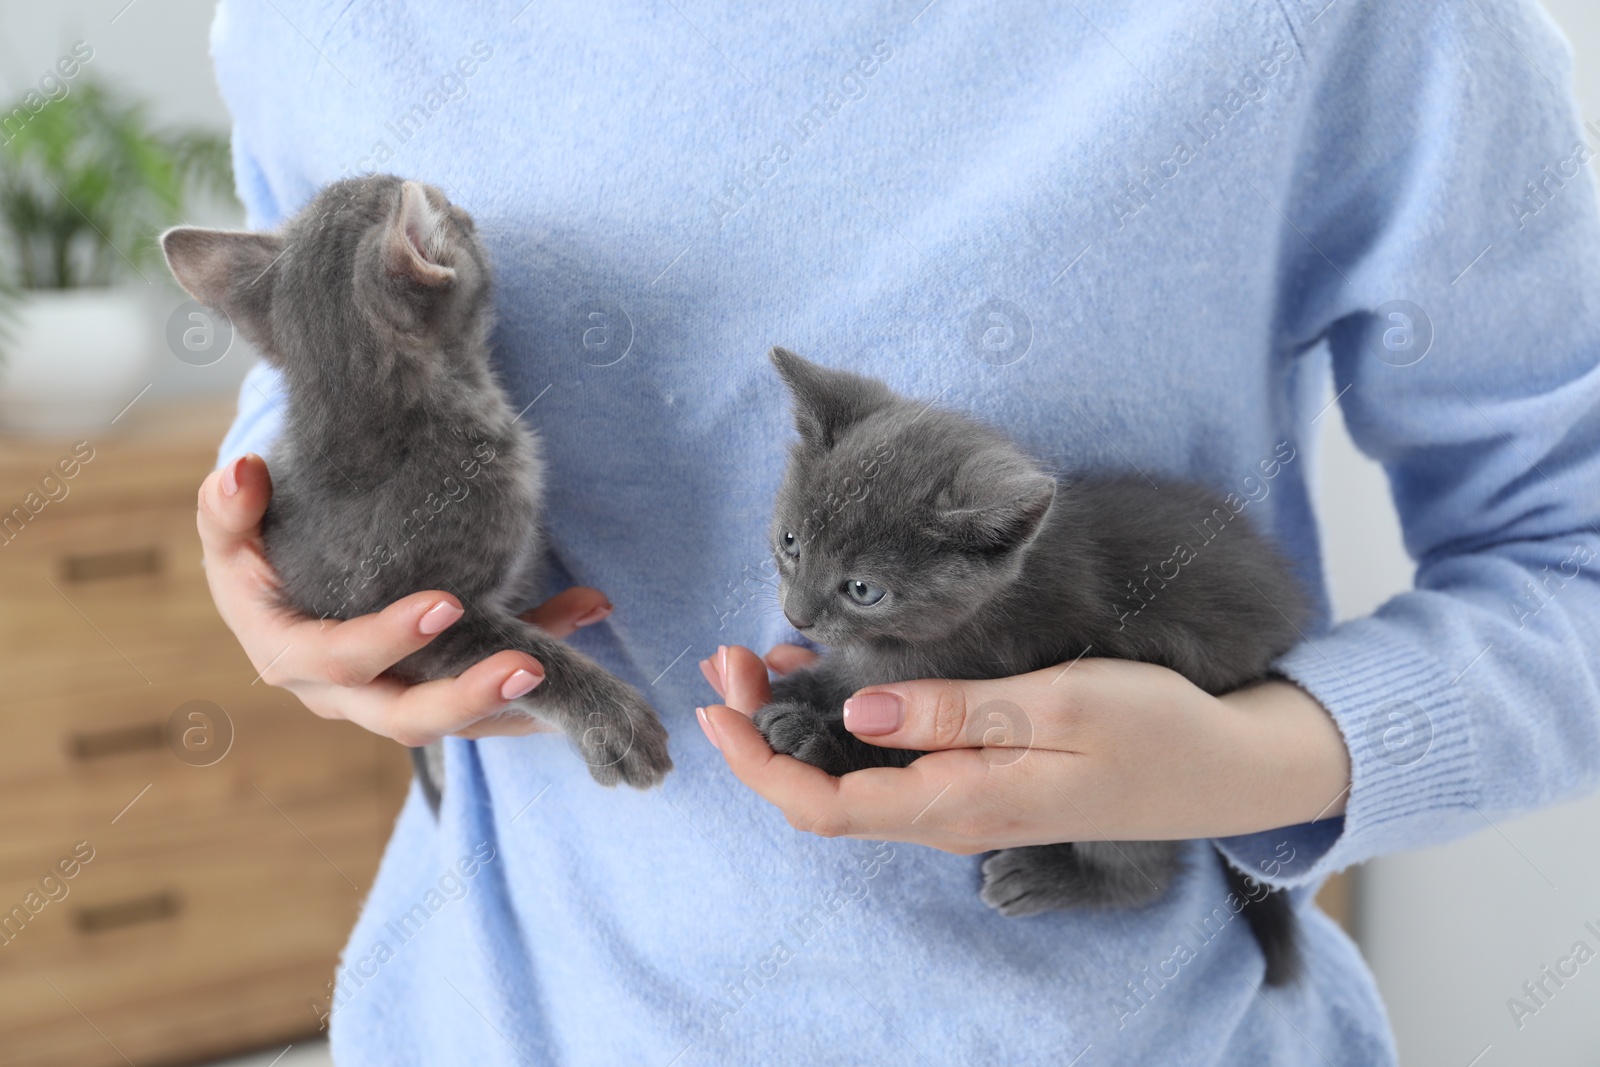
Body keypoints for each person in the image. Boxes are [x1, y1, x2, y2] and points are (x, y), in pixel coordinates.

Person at [200, 1, 1600, 1062]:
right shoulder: (312, 17)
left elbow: (1573, 551)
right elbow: (304, 357)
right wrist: (290, 569)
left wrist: (1246, 765)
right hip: (498, 1021)